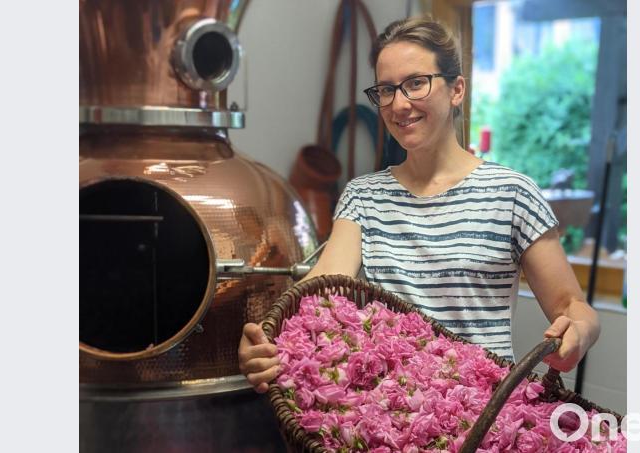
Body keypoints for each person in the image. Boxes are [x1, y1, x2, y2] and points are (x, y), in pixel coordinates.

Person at [238, 16, 600, 394]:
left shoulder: (512, 193)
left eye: (416, 83)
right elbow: (322, 284)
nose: (399, 104)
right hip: (393, 413)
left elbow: (572, 305)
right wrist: (269, 333)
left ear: (456, 89)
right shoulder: (364, 196)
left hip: (484, 414)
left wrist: (578, 332)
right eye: (386, 90)